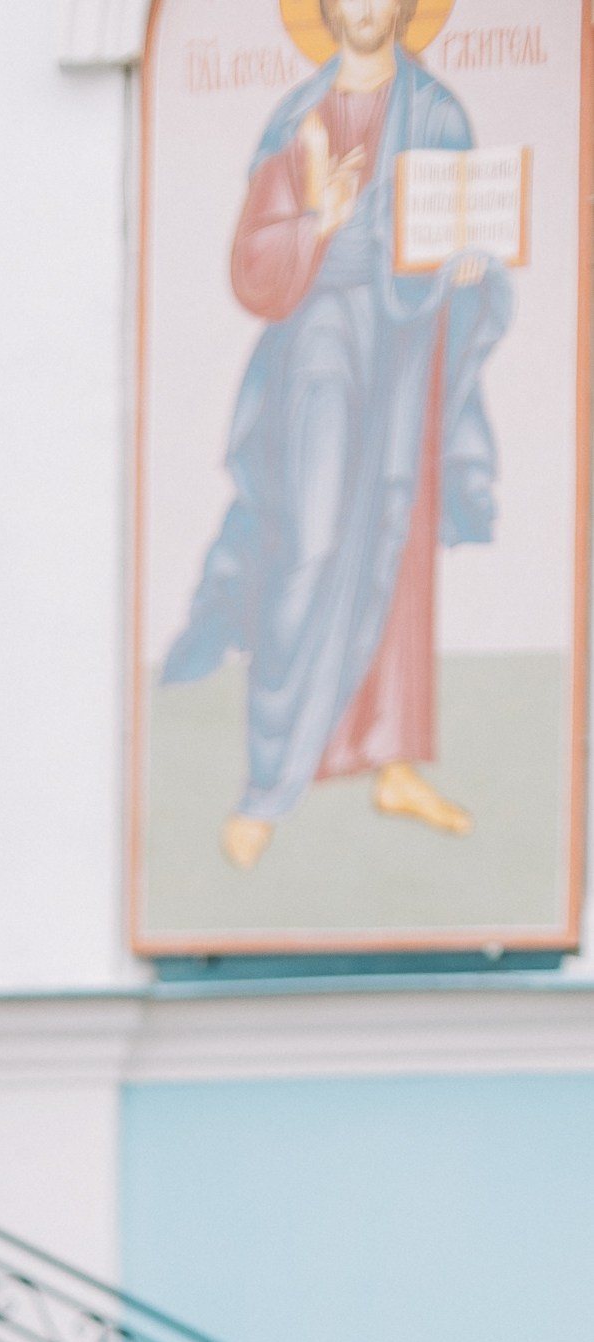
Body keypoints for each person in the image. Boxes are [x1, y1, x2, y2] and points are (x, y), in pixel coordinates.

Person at [163, 0, 508, 869]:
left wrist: (468, 266)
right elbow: (253, 260)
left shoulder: (438, 115)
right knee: (309, 543)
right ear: (325, 11)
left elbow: (461, 226)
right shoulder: (296, 120)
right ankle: (267, 783)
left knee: (393, 534)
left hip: (407, 343)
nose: (362, 9)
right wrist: (319, 220)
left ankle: (391, 758)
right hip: (319, 343)